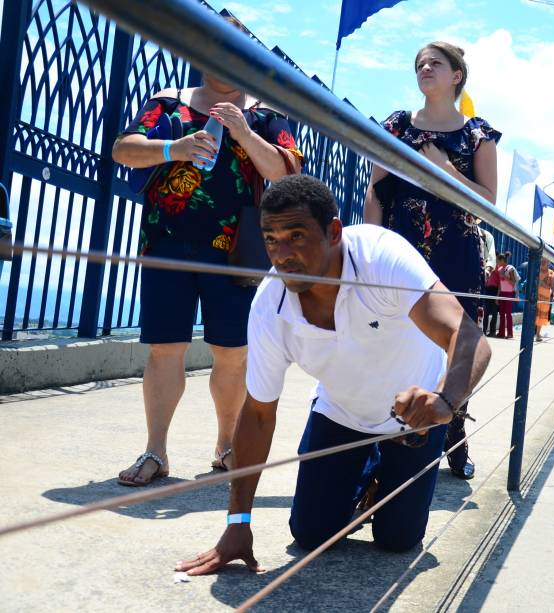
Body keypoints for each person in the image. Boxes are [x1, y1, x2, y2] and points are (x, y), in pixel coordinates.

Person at [175, 176, 491, 574]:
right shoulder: (270, 307)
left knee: (397, 540)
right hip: (342, 413)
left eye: (296, 235)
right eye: (271, 239)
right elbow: (257, 415)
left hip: (416, 419)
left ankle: (383, 470)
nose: (282, 253)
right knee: (310, 535)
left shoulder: (381, 258)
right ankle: (364, 468)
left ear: (334, 232)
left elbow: (469, 337)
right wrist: (238, 522)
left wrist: (444, 402)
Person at [112, 19, 303, 486]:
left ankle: (226, 446)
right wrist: (172, 147)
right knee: (164, 348)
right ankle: (155, 450)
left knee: (233, 351)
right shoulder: (168, 103)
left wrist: (243, 133)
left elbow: (285, 171)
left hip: (238, 250)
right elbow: (123, 149)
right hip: (167, 241)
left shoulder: (265, 114)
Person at [364, 41, 500, 480]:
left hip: (456, 257)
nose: (425, 67)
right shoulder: (398, 125)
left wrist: (447, 169)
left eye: (435, 63)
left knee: (455, 347)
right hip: (401, 253)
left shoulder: (477, 135)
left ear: (456, 75)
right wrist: (373, 249)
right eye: (419, 62)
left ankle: (453, 437)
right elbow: (375, 191)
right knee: (394, 340)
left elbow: (486, 204)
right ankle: (387, 434)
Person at [496, 252, 518, 339]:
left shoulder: (510, 269)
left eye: (498, 260)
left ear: (502, 260)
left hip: (509, 293)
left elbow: (513, 283)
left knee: (508, 314)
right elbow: (500, 284)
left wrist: (505, 277)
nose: (497, 262)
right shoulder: (500, 269)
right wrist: (497, 296)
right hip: (502, 293)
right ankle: (501, 333)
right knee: (501, 313)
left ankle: (510, 333)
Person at [535, 258, 554, 342]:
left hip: (545, 298)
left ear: (548, 262)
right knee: (534, 314)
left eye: (545, 261)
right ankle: (534, 333)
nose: (543, 263)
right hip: (535, 296)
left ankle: (537, 333)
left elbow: (553, 286)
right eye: (542, 261)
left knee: (541, 316)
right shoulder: (536, 270)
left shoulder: (551, 273)